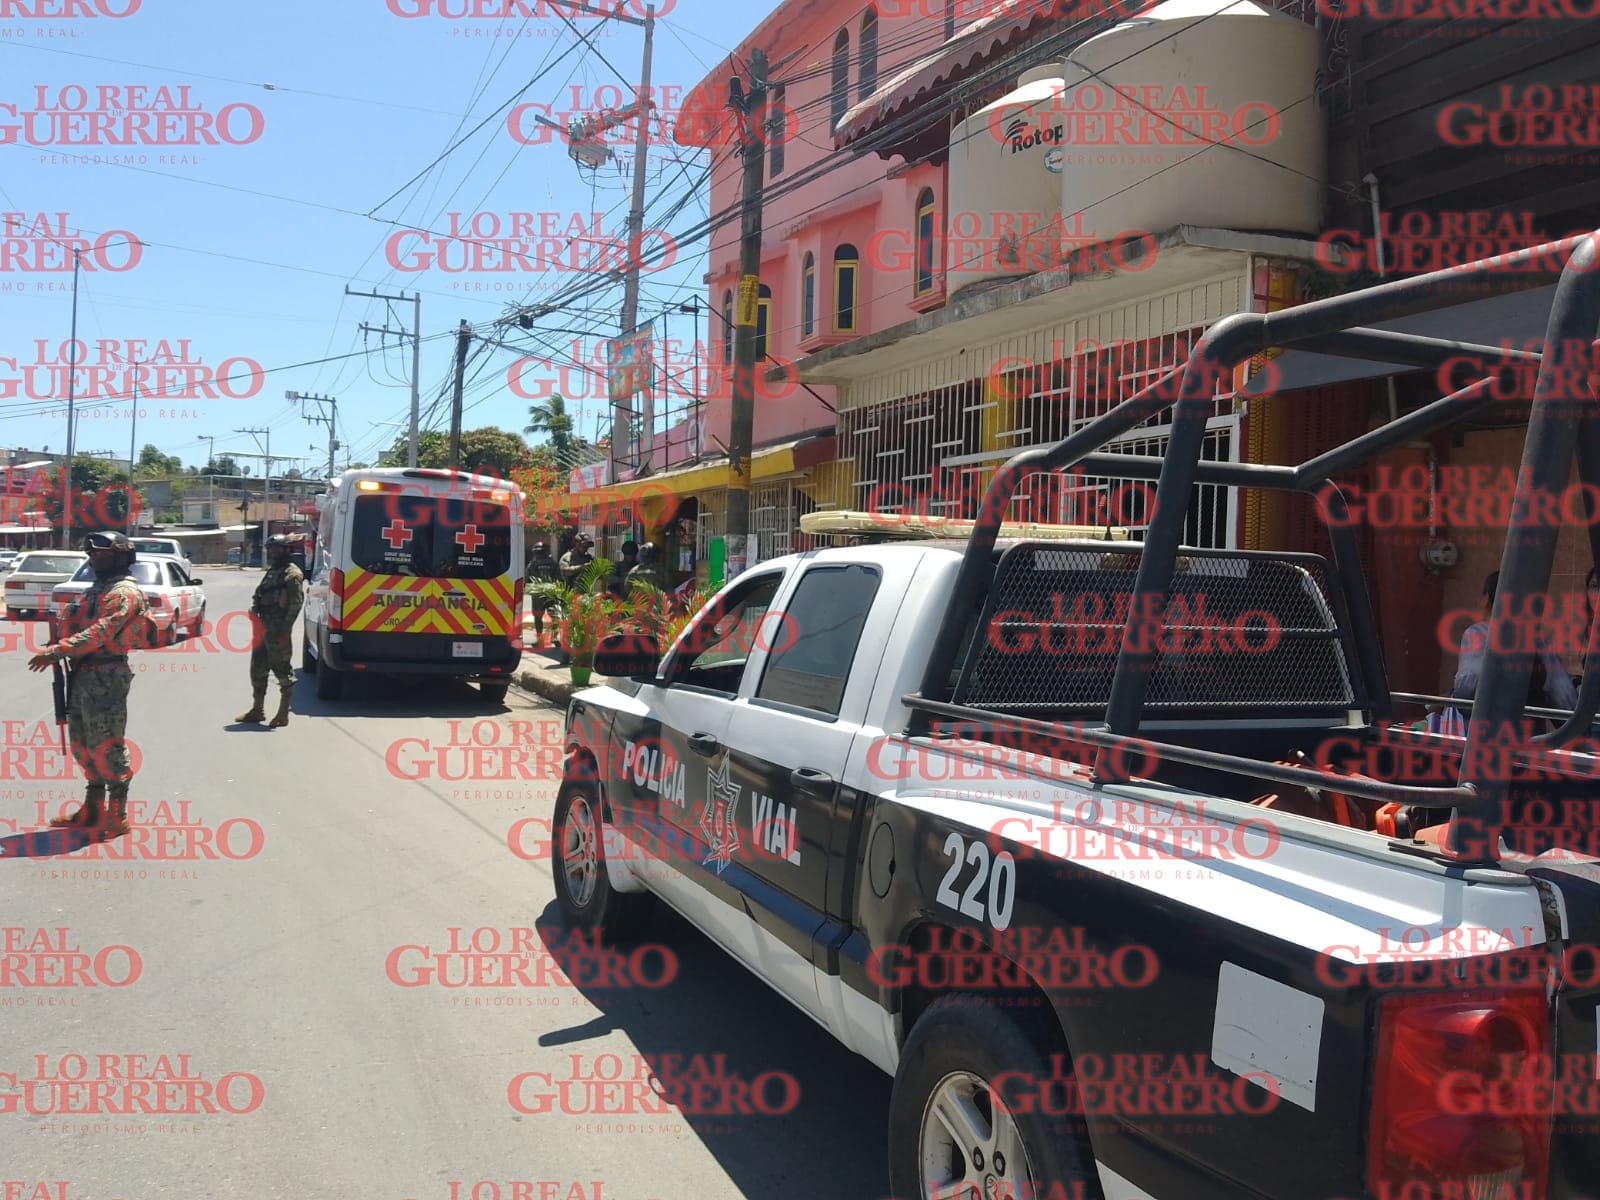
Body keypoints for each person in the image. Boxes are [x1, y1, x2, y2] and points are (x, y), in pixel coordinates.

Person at [26, 531, 152, 841]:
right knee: (82, 743)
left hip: (107, 674)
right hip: (83, 672)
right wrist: (60, 639)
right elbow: (77, 619)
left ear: (122, 557)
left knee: (108, 742)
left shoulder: (124, 592)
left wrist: (61, 648)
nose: (95, 558)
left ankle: (117, 814)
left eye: (103, 555)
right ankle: (93, 809)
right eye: (93, 554)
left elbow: (102, 631)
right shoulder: (97, 588)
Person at [1448, 568, 1578, 729]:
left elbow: (1466, 690)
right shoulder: (1538, 641)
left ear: (1487, 598)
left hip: (1487, 737)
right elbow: (1566, 701)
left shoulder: (1478, 633)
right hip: (1530, 739)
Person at [238, 533, 306, 728]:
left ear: (286, 551)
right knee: (257, 670)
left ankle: (283, 714)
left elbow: (295, 605)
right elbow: (261, 595)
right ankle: (257, 710)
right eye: (270, 550)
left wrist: (285, 632)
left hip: (277, 631)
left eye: (277, 549)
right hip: (262, 628)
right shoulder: (273, 571)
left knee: (282, 672)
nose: (273, 553)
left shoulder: (292, 574)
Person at [526, 540, 559, 645]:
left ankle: (540, 638)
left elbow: (527, 579)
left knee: (538, 617)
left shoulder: (532, 564)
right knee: (554, 616)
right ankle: (554, 638)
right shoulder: (553, 564)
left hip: (538, 595)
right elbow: (559, 579)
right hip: (551, 594)